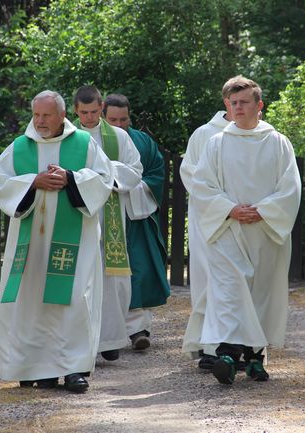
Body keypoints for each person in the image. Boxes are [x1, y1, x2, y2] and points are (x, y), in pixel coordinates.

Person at [0, 90, 114, 393]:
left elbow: (103, 179)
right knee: (30, 303)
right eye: (36, 115)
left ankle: (73, 369)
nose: (40, 121)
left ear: (62, 116)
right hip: (30, 245)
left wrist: (71, 178)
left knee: (73, 300)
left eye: (46, 115)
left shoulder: (84, 144)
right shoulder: (20, 147)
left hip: (75, 242)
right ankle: (37, 368)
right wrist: (33, 181)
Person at [190, 76, 301, 385]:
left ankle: (254, 359)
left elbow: (290, 187)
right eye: (233, 103)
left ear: (259, 105)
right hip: (228, 230)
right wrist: (230, 208)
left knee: (259, 296)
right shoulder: (216, 143)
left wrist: (262, 211)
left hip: (265, 232)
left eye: (244, 102)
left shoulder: (278, 142)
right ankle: (226, 354)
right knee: (228, 292)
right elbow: (201, 186)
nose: (238, 108)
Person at [72, 85, 143, 361]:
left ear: (102, 107)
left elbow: (135, 171)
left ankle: (110, 340)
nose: (89, 118)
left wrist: (103, 176)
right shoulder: (68, 137)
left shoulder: (118, 136)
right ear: (75, 110)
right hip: (79, 211)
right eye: (83, 112)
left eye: (94, 111)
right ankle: (83, 342)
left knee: (113, 279)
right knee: (82, 275)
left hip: (110, 210)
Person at [103, 93, 170, 351]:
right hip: (105, 214)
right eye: (113, 120)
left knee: (138, 271)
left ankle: (138, 329)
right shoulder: (91, 140)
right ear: (102, 116)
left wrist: (131, 188)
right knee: (107, 275)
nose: (119, 125)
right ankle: (107, 334)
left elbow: (156, 172)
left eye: (124, 119)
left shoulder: (143, 141)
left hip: (135, 215)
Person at [180, 103, 232, 369]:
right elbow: (190, 172)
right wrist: (222, 204)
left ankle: (240, 346)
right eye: (236, 102)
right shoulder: (204, 134)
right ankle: (209, 345)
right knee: (208, 278)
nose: (240, 107)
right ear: (227, 103)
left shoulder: (263, 136)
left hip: (245, 218)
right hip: (209, 219)